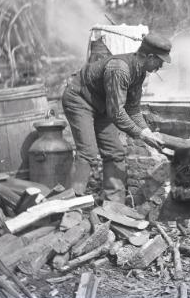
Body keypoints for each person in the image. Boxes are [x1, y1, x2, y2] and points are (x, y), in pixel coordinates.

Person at [62, 32, 171, 203]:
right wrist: (141, 135)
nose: (161, 65)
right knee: (88, 152)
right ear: (150, 57)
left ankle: (114, 206)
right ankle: (71, 203)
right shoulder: (119, 69)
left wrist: (147, 131)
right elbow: (117, 113)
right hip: (80, 99)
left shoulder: (140, 72)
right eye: (160, 60)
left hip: (103, 105)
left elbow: (133, 109)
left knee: (115, 152)